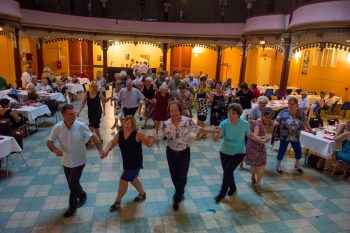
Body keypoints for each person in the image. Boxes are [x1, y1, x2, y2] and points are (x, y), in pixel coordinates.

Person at [152, 101, 217, 211]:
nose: (174, 113)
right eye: (171, 111)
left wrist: (212, 130)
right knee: (174, 176)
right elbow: (158, 138)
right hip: (171, 152)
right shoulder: (165, 124)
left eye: (176, 110)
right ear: (169, 112)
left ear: (180, 110)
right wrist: (146, 139)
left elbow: (199, 129)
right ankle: (179, 191)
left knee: (182, 176)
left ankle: (177, 198)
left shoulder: (187, 121)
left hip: (184, 152)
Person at [47, 104, 103, 217]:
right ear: (63, 115)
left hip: (79, 161)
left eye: (74, 113)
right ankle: (82, 194)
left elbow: (93, 137)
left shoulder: (81, 126)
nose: (74, 116)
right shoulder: (57, 127)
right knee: (72, 183)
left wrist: (100, 150)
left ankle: (72, 208)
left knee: (72, 184)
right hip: (66, 161)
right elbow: (49, 142)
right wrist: (55, 150)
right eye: (70, 114)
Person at [213, 103, 270, 203]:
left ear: (238, 114)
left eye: (233, 113)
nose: (230, 114)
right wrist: (217, 134)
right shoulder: (224, 123)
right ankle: (233, 188)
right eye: (229, 112)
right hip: (225, 152)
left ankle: (222, 193)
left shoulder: (244, 124)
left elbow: (251, 136)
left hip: (239, 153)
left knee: (227, 172)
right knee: (228, 172)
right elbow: (216, 139)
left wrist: (262, 141)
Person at [100, 115, 153, 211]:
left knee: (123, 180)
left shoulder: (137, 133)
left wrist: (150, 141)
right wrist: (106, 150)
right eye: (125, 122)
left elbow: (147, 141)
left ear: (133, 124)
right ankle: (142, 193)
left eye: (129, 123)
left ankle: (117, 202)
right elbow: (112, 142)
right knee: (133, 179)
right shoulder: (120, 133)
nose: (126, 125)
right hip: (126, 162)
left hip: (135, 163)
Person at [274, 96, 314, 175]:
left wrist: (311, 130)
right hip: (285, 136)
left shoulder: (301, 113)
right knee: (281, 151)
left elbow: (305, 122)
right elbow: (277, 120)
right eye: (289, 104)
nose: (290, 106)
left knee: (298, 151)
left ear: (297, 105)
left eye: (292, 104)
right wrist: (276, 123)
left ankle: (297, 165)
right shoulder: (283, 112)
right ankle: (278, 165)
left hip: (296, 136)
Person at [244, 107, 273, 193]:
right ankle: (253, 177)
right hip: (253, 146)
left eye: (270, 117)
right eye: (267, 117)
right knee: (254, 165)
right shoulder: (258, 124)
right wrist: (265, 137)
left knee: (262, 165)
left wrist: (264, 138)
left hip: (261, 145)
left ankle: (257, 183)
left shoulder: (264, 122)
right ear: (262, 115)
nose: (268, 119)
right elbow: (254, 137)